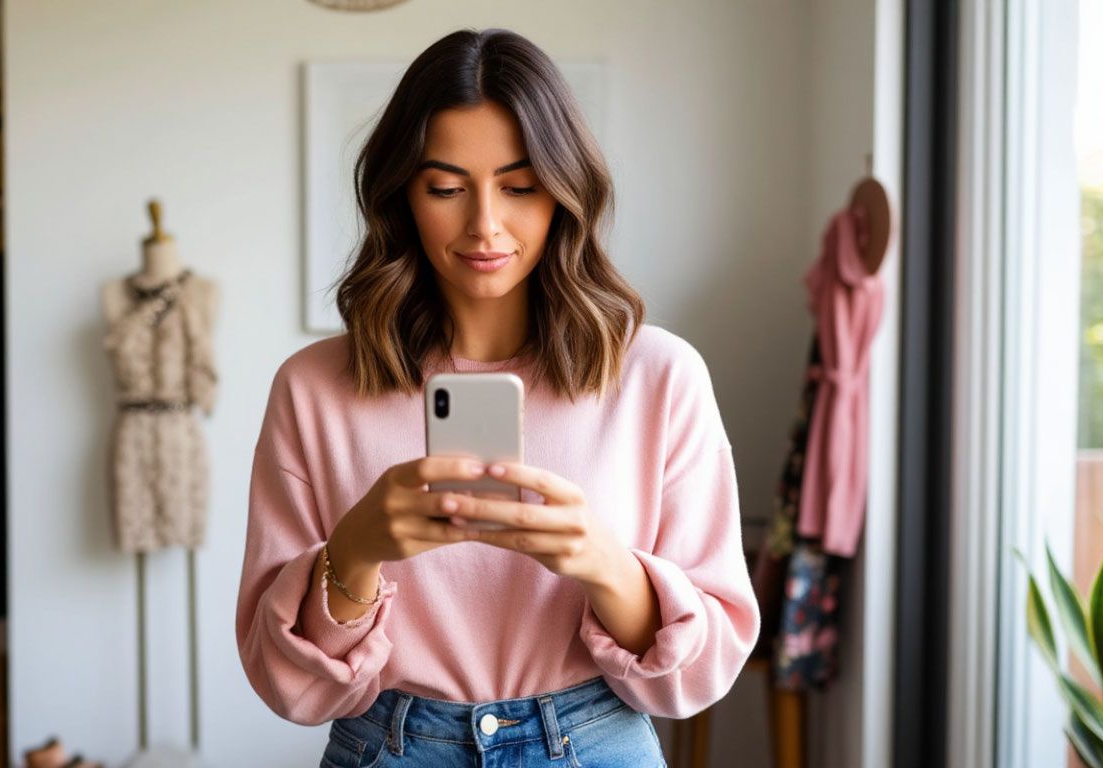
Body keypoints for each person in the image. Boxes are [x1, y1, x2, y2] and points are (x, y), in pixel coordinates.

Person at [234, 27, 759, 767]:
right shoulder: (313, 388)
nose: (484, 224)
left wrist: (603, 564)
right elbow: (288, 686)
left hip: (598, 743)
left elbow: (702, 672)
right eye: (446, 189)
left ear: (565, 192)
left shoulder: (660, 375)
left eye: (519, 186)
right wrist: (354, 553)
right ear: (402, 196)